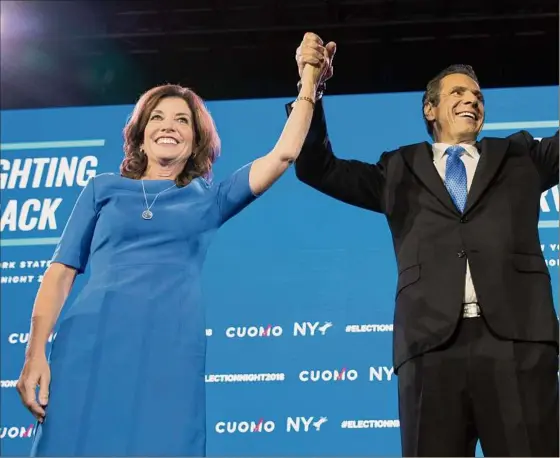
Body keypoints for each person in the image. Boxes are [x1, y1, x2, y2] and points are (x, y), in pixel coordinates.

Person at [16, 54, 329, 457]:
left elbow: (283, 155)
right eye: (158, 117)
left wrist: (308, 82)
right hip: (89, 345)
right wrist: (35, 352)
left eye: (183, 120)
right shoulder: (102, 189)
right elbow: (60, 272)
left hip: (170, 351)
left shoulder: (211, 198)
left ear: (197, 139)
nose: (169, 126)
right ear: (140, 133)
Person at [291, 32, 559, 457]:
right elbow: (315, 167)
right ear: (430, 108)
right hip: (429, 348)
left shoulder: (521, 156)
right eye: (457, 92)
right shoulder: (397, 168)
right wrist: (312, 87)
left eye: (477, 94)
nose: (471, 99)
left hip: (518, 342)